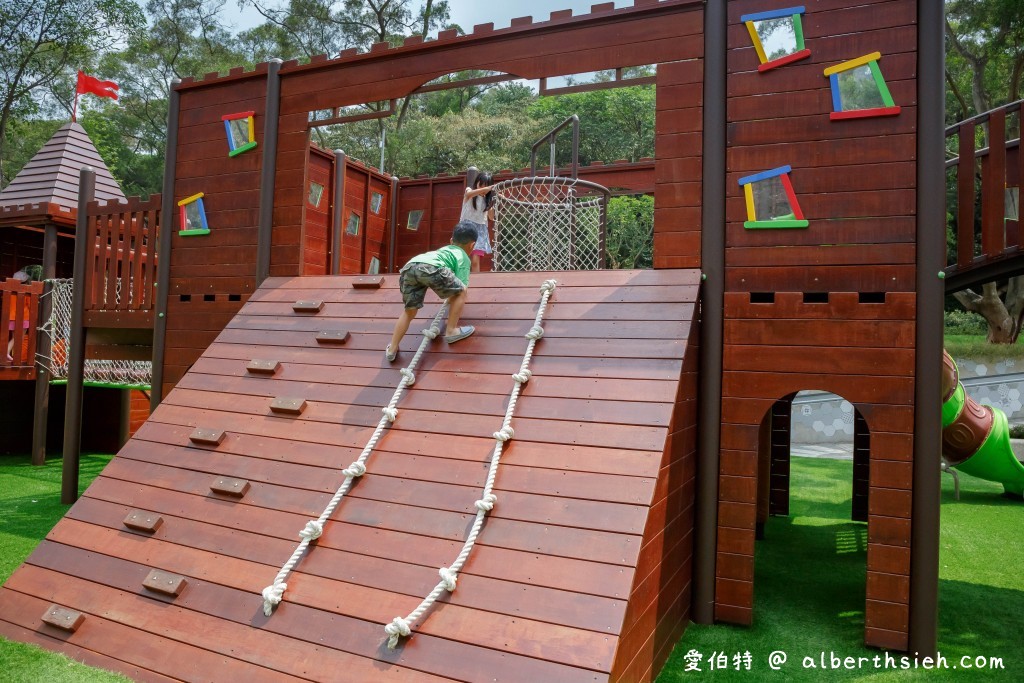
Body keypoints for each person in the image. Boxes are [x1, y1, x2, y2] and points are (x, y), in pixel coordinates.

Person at [385, 223, 478, 362]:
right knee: (462, 291)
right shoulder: (463, 257)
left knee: (409, 311)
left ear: (451, 240)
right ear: (472, 245)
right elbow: (461, 287)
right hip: (431, 268)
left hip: (410, 267)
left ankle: (392, 348)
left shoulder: (444, 250)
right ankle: (451, 331)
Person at [460, 171, 495, 273]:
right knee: (463, 258)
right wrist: (488, 188)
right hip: (466, 228)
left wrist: (493, 203)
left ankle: (476, 281)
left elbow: (491, 217)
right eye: (481, 184)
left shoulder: (487, 200)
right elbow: (469, 194)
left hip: (480, 231)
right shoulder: (469, 191)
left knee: (475, 260)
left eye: (486, 186)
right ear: (477, 183)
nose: (483, 188)